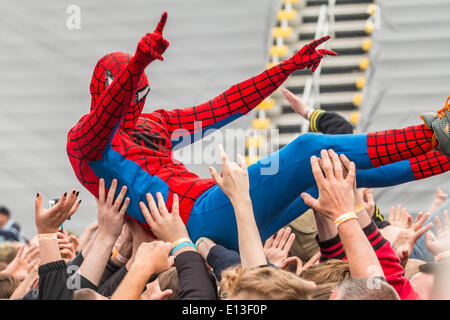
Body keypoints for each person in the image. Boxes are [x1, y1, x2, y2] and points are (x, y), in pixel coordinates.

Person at [67, 11, 450, 251]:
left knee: (328, 176)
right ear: (105, 89)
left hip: (213, 212)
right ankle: (433, 134)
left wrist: (286, 67)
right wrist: (135, 66)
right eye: (130, 89)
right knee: (307, 149)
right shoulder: (86, 145)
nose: (136, 97)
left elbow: (223, 106)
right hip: (197, 218)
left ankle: (440, 156)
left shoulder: (154, 123)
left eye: (142, 90)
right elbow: (105, 116)